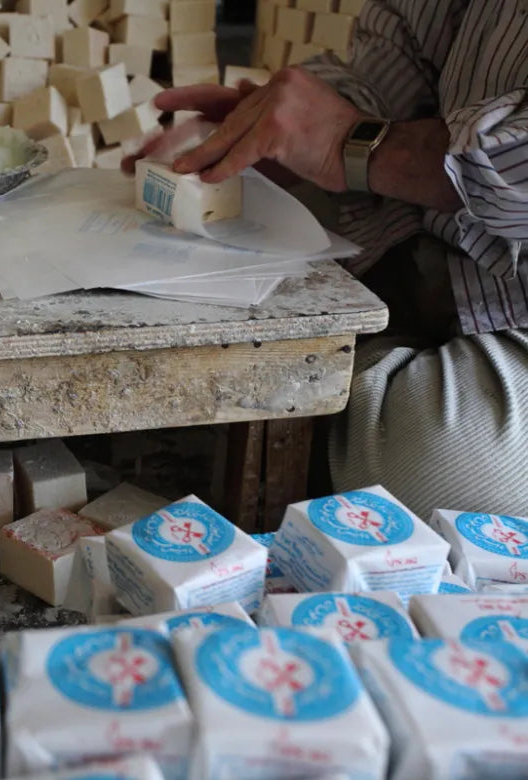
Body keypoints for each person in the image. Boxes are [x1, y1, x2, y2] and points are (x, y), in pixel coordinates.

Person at [133, 0, 528, 519]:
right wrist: (284, 128)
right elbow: (394, 60)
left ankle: (318, 404)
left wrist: (352, 142)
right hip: (432, 243)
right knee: (236, 234)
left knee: (438, 461)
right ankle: (334, 398)